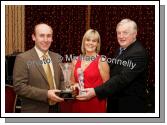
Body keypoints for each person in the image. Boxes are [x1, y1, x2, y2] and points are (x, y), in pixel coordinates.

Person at [77, 19, 148, 113]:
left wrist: (95, 91)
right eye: (119, 33)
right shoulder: (121, 49)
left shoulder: (138, 53)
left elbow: (121, 79)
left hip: (129, 107)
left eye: (125, 33)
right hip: (116, 103)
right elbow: (113, 71)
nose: (121, 36)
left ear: (135, 34)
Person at [13, 23, 64, 113]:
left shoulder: (57, 57)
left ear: (52, 38)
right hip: (34, 112)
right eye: (41, 36)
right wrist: (46, 94)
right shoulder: (23, 58)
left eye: (48, 36)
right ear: (34, 37)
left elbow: (61, 80)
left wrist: (69, 91)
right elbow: (19, 87)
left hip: (56, 110)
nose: (45, 39)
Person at [70, 29, 110, 113]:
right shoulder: (75, 60)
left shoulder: (102, 61)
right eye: (88, 40)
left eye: (94, 41)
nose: (90, 43)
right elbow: (72, 82)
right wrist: (74, 86)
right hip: (78, 103)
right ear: (84, 42)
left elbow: (107, 86)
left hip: (95, 104)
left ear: (97, 44)